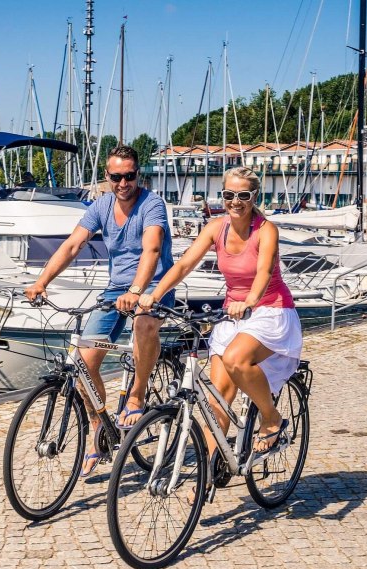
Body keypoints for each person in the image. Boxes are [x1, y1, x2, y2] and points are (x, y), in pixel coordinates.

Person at [25, 145, 175, 476]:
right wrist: (41, 281)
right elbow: (73, 245)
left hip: (153, 286)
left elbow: (151, 250)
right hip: (116, 289)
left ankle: (136, 395)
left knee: (144, 325)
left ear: (139, 174)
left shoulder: (152, 205)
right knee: (83, 362)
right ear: (107, 176)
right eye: (116, 177)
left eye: (129, 176)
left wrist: (138, 291)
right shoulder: (101, 205)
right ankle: (99, 427)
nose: (123, 183)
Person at [139, 166, 302, 457]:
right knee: (218, 398)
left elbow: (265, 272)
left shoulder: (266, 230)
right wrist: (154, 295)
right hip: (232, 315)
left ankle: (271, 417)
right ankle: (212, 471)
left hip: (270, 311)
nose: (235, 201)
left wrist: (250, 301)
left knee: (236, 359)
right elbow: (183, 266)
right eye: (229, 194)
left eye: (243, 195)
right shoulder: (216, 228)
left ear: (254, 196)